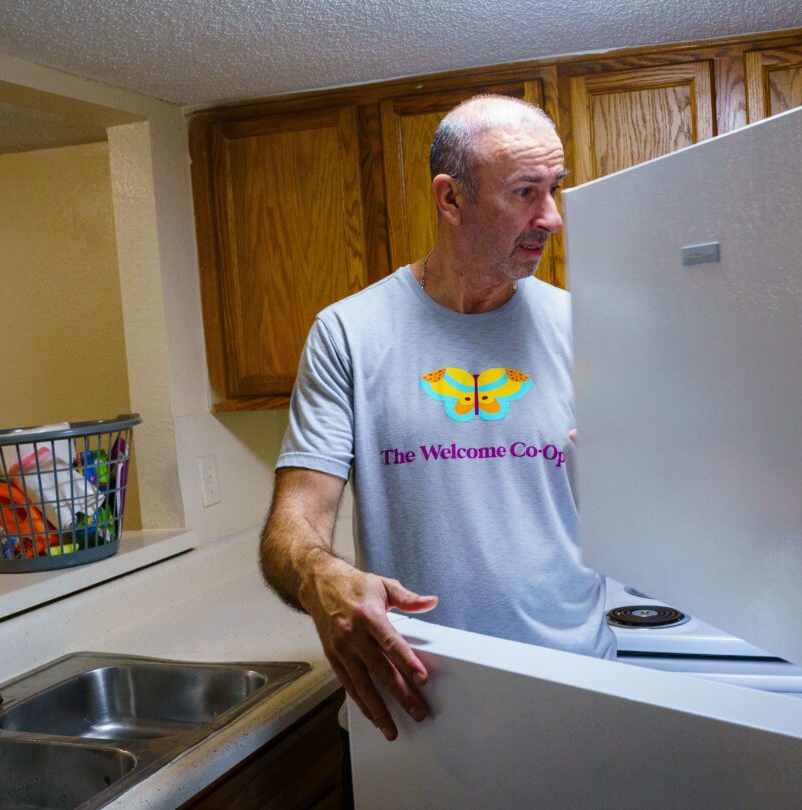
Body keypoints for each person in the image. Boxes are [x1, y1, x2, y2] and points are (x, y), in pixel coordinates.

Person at [259, 95, 614, 751]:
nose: (553, 218)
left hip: (576, 695)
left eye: (554, 190)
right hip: (417, 707)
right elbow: (295, 524)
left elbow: (642, 513)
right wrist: (319, 576)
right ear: (451, 200)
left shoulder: (585, 327)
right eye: (526, 192)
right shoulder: (350, 333)